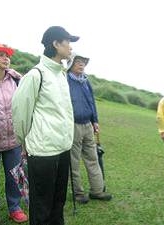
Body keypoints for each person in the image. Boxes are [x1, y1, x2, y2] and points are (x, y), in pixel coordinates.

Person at [12, 26, 79, 225]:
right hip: (42, 153)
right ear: (56, 44)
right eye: (68, 42)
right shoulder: (36, 75)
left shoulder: (62, 74)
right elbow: (20, 114)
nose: (71, 47)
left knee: (58, 204)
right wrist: (25, 142)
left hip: (63, 149)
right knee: (42, 207)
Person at [66, 53, 112, 204]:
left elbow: (91, 101)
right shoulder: (65, 80)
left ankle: (97, 191)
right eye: (78, 62)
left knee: (92, 158)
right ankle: (78, 193)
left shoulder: (86, 81)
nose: (81, 65)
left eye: (84, 63)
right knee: (74, 161)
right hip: (72, 125)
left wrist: (95, 120)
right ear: (71, 63)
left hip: (87, 125)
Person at [0, 44, 28, 223]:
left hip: (13, 140)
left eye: (7, 56)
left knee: (14, 176)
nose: (5, 58)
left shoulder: (16, 80)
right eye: (0, 55)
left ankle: (14, 207)